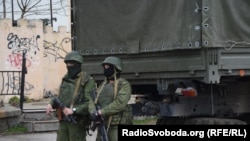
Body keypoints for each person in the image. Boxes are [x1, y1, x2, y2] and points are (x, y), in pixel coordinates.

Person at [46, 51, 96, 141]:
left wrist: (74, 110)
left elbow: (90, 102)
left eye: (71, 63)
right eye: (67, 63)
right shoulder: (66, 78)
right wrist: (51, 104)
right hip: (63, 120)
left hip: (77, 121)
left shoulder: (87, 80)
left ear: (77, 64)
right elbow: (60, 96)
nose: (69, 66)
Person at [90, 56, 133, 141]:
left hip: (116, 126)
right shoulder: (102, 85)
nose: (105, 69)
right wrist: (95, 114)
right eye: (104, 67)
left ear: (115, 68)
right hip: (102, 124)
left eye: (108, 67)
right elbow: (96, 102)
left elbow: (120, 104)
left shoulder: (123, 84)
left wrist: (101, 112)